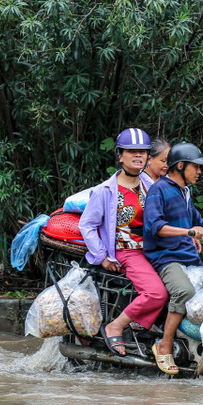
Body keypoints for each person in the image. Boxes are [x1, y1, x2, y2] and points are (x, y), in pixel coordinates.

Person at [79, 128, 168, 356]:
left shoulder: (151, 185)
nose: (138, 155)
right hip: (127, 251)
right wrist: (102, 256)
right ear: (120, 156)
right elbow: (86, 225)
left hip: (153, 250)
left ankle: (143, 326)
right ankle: (116, 326)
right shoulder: (105, 191)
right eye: (131, 151)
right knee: (156, 293)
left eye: (143, 152)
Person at [143, 141, 203, 375]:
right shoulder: (159, 190)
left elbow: (199, 221)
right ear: (180, 166)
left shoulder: (184, 191)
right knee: (184, 291)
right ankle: (164, 345)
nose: (199, 171)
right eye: (195, 166)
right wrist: (189, 232)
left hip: (188, 258)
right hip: (167, 258)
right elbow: (155, 226)